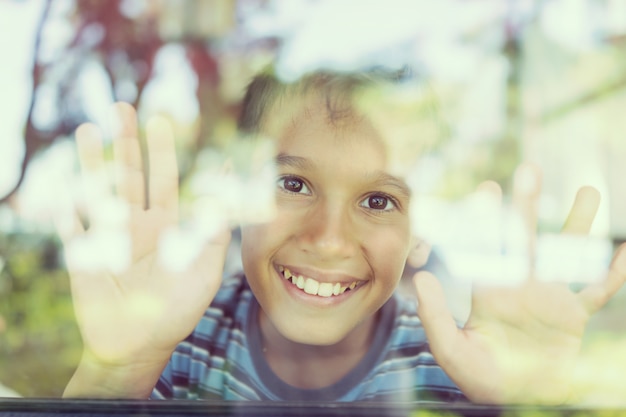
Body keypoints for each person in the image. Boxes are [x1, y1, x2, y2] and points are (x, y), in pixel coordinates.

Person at [58, 67, 626, 404]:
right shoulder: (178, 343)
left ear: (419, 230)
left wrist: (527, 404)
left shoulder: (452, 370)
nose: (328, 239)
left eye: (378, 201)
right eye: (293, 184)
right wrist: (115, 372)